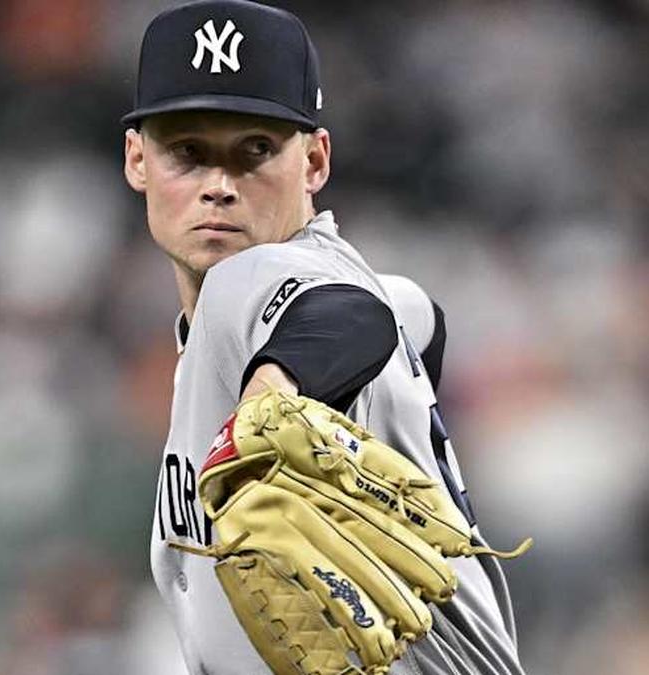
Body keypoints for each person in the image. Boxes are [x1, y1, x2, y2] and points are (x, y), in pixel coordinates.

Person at [121, 1, 528, 673]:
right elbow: (410, 312)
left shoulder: (250, 281)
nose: (219, 186)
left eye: (254, 151)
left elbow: (344, 315)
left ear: (314, 161)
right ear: (139, 159)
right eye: (187, 152)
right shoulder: (350, 288)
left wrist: (272, 389)